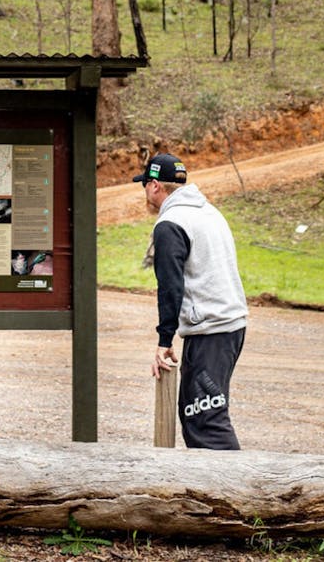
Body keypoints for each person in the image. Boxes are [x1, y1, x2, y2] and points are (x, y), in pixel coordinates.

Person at [134, 153, 248, 450]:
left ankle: (234, 490)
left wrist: (163, 339)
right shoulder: (208, 211)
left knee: (205, 419)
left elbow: (170, 286)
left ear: (155, 185)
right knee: (197, 412)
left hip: (212, 328)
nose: (144, 192)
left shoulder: (171, 223)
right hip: (227, 324)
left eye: (144, 185)